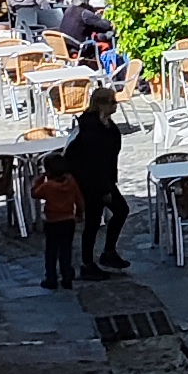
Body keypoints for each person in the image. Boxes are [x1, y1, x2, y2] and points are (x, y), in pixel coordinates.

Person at [68, 86, 129, 277]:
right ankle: (88, 263)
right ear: (102, 104)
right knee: (93, 221)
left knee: (119, 212)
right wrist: (105, 188)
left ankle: (108, 252)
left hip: (104, 180)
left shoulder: (105, 126)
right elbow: (95, 162)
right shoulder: (91, 130)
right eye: (112, 102)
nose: (116, 105)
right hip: (91, 183)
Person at [37, 147, 82, 289]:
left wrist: (39, 180)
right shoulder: (71, 181)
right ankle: (67, 276)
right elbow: (79, 199)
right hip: (69, 220)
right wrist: (80, 213)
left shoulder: (48, 186)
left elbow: (34, 193)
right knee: (66, 250)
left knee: (51, 251)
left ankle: (51, 278)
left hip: (53, 222)